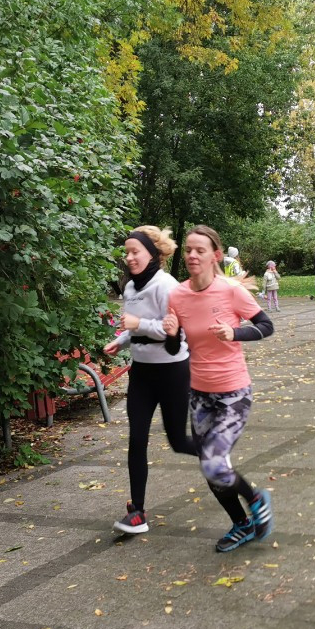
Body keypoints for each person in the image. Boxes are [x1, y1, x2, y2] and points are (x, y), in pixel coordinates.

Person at [162, 225, 275, 553]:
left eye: (199, 250)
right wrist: (171, 335)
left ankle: (256, 499)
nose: (192, 256)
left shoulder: (230, 291)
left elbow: (267, 326)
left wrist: (234, 333)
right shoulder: (177, 296)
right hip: (199, 396)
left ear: (215, 256)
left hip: (233, 395)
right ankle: (242, 525)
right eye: (188, 250)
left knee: (214, 463)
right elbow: (174, 351)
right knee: (211, 469)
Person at [104, 226, 197, 534]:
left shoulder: (165, 285)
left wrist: (137, 324)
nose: (129, 257)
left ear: (152, 254)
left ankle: (214, 452)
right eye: (127, 252)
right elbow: (136, 328)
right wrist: (121, 341)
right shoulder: (130, 288)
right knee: (137, 440)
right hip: (142, 373)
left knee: (178, 441)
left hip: (172, 371)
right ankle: (138, 513)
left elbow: (175, 331)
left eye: (135, 252)